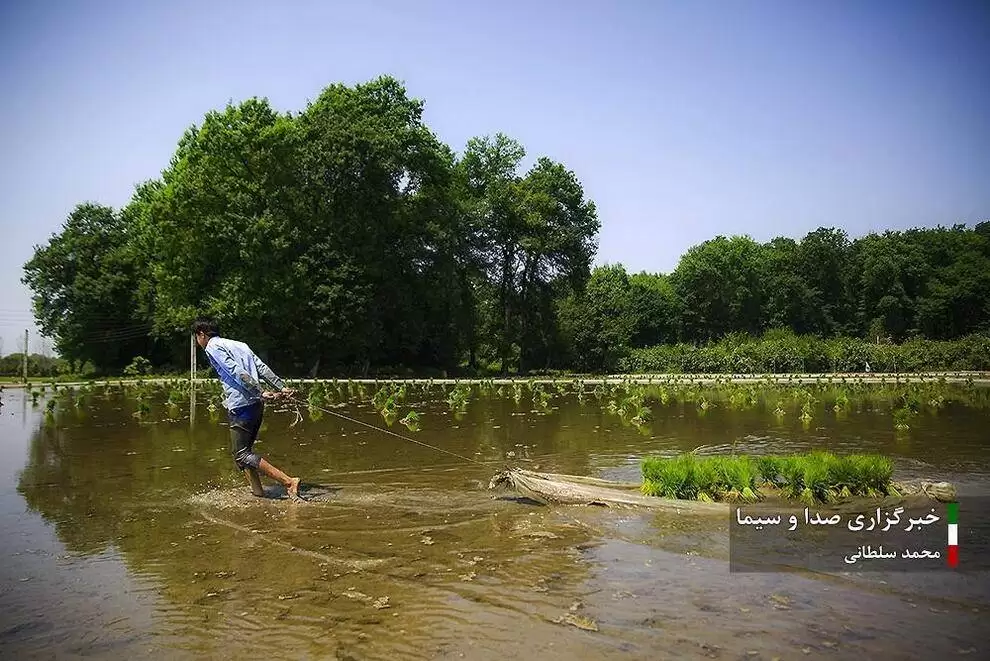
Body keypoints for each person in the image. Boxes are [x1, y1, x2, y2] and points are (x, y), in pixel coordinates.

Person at [192, 318, 303, 500]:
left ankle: (289, 482)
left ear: (202, 334)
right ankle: (258, 493)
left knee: (241, 455)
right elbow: (261, 367)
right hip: (256, 404)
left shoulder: (212, 347)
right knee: (244, 451)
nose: (198, 342)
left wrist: (259, 390)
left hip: (242, 404)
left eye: (197, 338)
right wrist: (281, 387)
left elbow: (234, 370)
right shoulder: (240, 345)